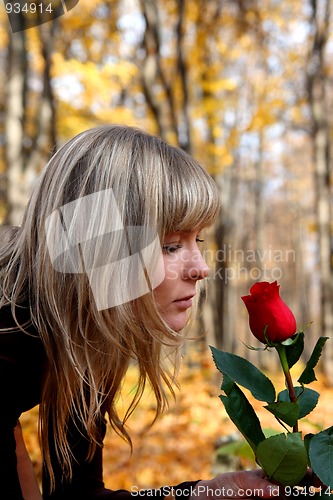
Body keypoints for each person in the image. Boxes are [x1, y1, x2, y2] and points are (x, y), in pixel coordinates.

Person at [0, 125, 278, 499]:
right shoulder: (11, 339)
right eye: (169, 245)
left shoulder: (84, 330)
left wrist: (205, 493)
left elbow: (75, 493)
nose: (201, 267)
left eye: (197, 240)